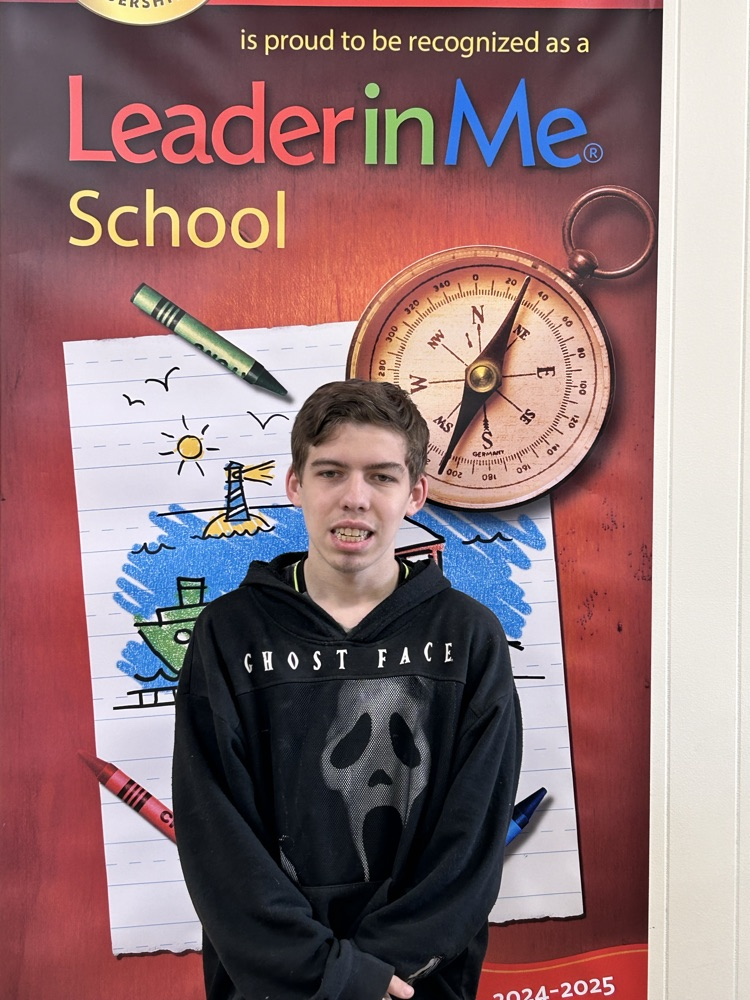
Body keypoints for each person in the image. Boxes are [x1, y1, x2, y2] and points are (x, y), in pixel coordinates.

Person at [172, 379, 522, 1000]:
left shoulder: (468, 637)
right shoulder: (228, 635)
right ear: (295, 486)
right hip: (273, 986)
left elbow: (471, 842)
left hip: (420, 985)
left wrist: (378, 972)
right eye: (331, 473)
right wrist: (330, 975)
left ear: (415, 493)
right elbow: (216, 842)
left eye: (381, 477)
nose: (354, 498)